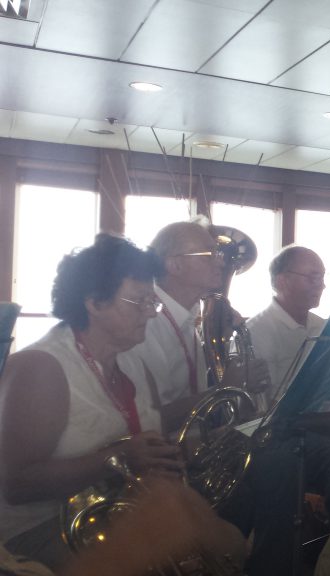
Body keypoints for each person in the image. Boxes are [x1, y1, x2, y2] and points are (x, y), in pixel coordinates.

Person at [0, 234, 198, 570]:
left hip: (117, 511)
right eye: (139, 302)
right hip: (42, 530)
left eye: (152, 301)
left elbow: (152, 431)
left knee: (206, 530)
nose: (151, 314)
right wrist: (119, 458)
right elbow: (15, 485)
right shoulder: (42, 367)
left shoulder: (133, 361)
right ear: (94, 303)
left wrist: (169, 454)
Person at [126, 219, 266, 433]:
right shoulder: (146, 323)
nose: (221, 263)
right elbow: (151, 420)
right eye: (210, 255)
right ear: (175, 265)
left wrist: (234, 374)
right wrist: (225, 389)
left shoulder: (188, 317)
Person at [246, 245, 327, 404]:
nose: (322, 285)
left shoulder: (322, 325)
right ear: (282, 281)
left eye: (322, 278)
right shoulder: (255, 332)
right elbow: (263, 403)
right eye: (313, 277)